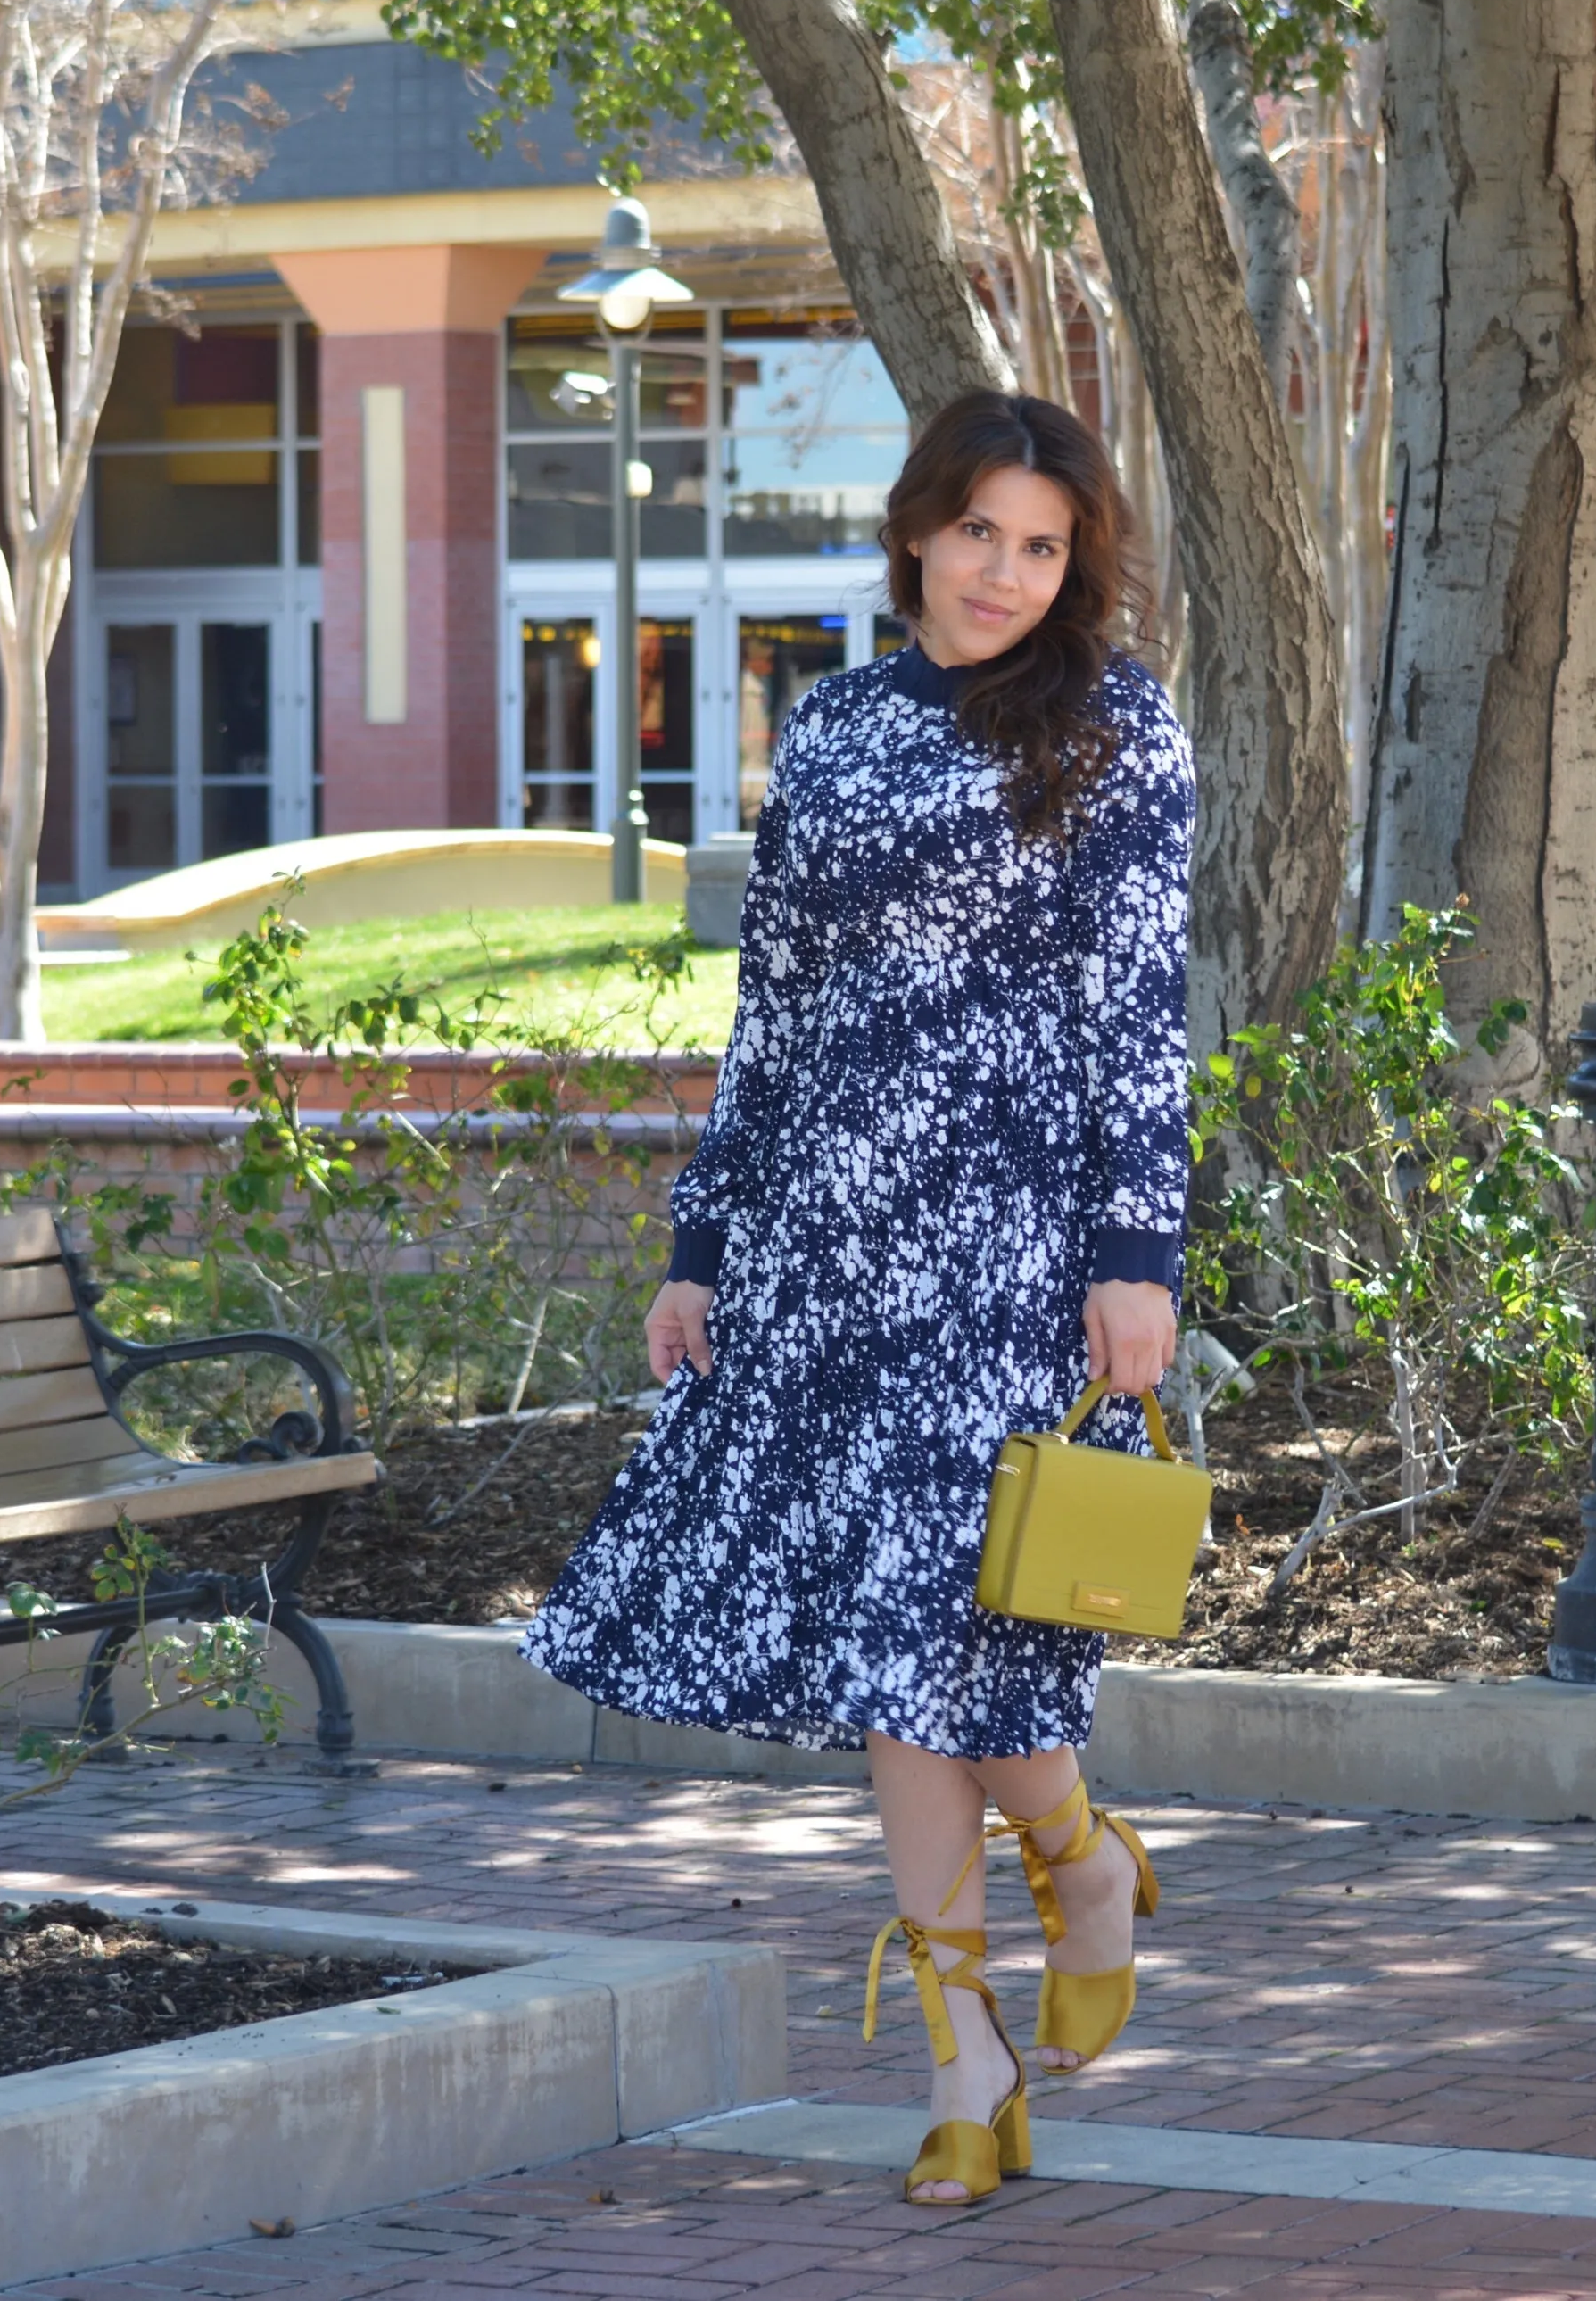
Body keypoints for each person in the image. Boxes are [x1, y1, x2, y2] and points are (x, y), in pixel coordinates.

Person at [520, 388, 1194, 2207]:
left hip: (1015, 1255)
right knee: (908, 1649)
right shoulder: (828, 730)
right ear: (915, 530)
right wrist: (699, 1245)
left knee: (960, 1628)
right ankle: (967, 2054)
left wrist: (1137, 1259)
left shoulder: (1117, 725)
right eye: (978, 533)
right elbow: (774, 1015)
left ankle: (1082, 1861)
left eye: (1042, 546)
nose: (1005, 574)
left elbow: (1135, 1015)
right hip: (829, 1250)